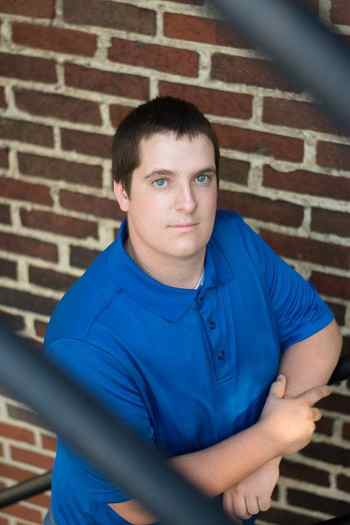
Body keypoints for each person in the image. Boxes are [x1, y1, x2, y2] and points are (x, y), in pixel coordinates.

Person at [43, 97, 342, 525]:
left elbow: (318, 334)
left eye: (201, 178)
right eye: (161, 181)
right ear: (122, 192)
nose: (188, 202)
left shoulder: (234, 240)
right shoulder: (86, 339)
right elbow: (140, 502)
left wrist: (262, 458)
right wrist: (270, 440)